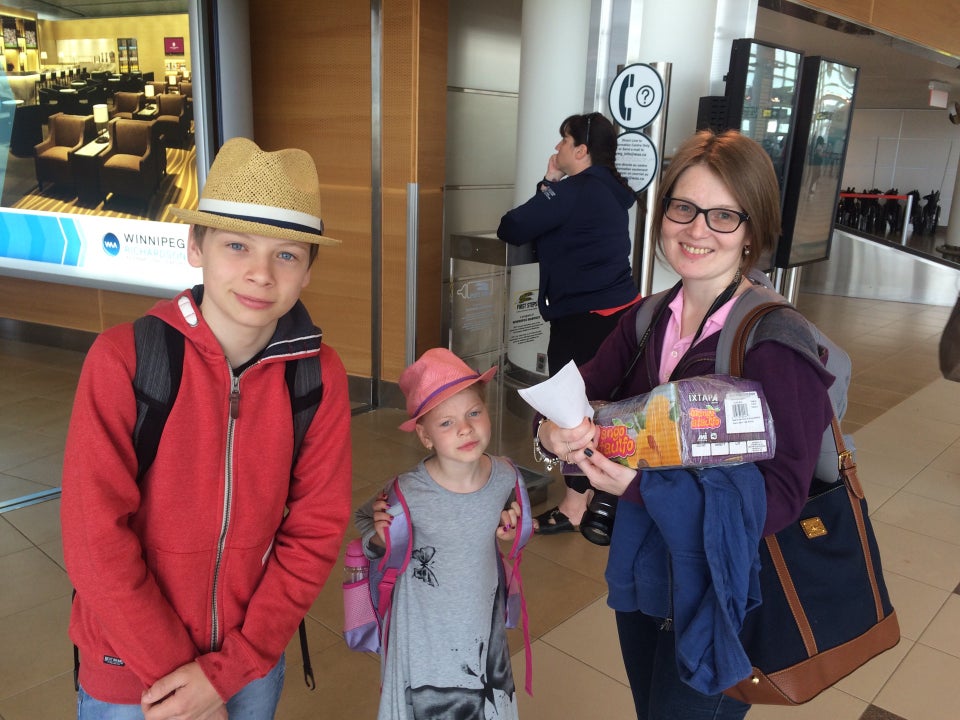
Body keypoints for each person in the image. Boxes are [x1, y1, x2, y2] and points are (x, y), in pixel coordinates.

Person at [533, 129, 836, 719]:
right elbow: (581, 400)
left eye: (724, 215)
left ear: (753, 229)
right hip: (646, 573)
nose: (697, 230)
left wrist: (642, 487)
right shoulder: (647, 318)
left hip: (725, 590)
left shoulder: (774, 342)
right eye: (684, 208)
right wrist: (553, 436)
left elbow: (779, 499)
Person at [61, 137, 353, 720]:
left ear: (308, 272)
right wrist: (181, 683)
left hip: (249, 664)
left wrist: (228, 672)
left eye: (287, 255)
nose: (259, 274)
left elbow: (315, 532)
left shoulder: (317, 377)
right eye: (236, 245)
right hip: (131, 676)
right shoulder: (126, 358)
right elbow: (96, 540)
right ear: (195, 246)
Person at [354, 348, 522, 720]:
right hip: (423, 627)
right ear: (425, 436)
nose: (464, 428)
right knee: (432, 700)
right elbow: (365, 520)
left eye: (473, 413)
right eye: (446, 423)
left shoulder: (505, 476)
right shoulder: (407, 491)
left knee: (482, 695)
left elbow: (514, 514)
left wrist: (513, 526)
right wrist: (380, 537)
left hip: (479, 615)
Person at [497, 111, 640, 535]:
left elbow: (513, 226)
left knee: (573, 412)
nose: (557, 148)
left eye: (563, 141)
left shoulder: (574, 190)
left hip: (582, 319)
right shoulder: (615, 192)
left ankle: (576, 505)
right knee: (604, 405)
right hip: (618, 312)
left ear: (581, 150)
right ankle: (602, 491)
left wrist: (547, 186)